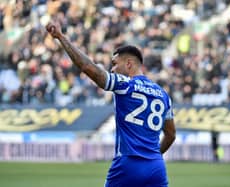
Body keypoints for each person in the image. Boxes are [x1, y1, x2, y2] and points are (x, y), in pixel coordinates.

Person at [46, 21, 176, 187]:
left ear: (129, 64)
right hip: (156, 167)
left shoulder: (125, 84)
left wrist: (61, 37)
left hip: (128, 165)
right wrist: (153, 156)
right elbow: (171, 135)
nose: (112, 69)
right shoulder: (163, 95)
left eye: (115, 64)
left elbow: (87, 66)